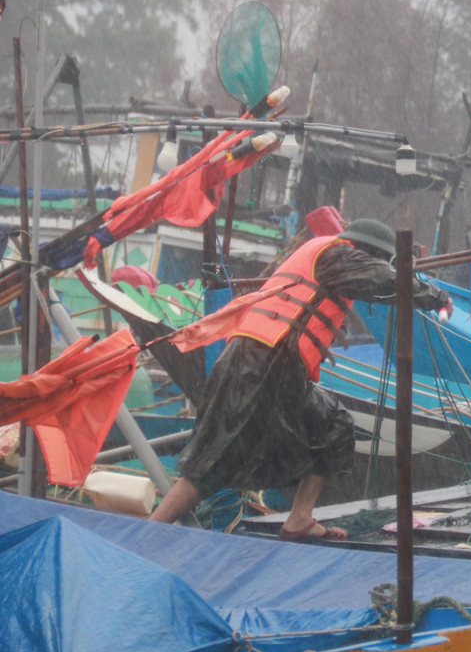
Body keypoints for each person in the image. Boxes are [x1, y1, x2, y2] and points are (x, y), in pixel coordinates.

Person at [149, 218, 452, 539]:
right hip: (261, 360)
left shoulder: (327, 255)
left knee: (334, 425)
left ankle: (299, 518)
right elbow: (383, 279)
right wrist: (436, 297)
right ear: (367, 251)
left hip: (272, 364)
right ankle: (150, 529)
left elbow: (381, 283)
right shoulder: (337, 255)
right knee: (212, 461)